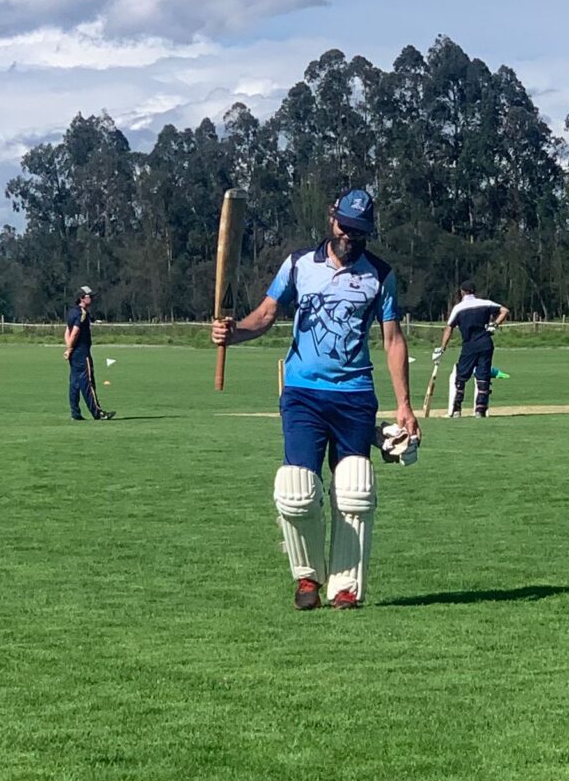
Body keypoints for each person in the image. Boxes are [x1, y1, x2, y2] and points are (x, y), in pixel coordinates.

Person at [211, 188, 420, 611]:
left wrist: (404, 404)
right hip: (303, 392)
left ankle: (346, 587)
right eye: (346, 227)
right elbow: (266, 314)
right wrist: (234, 333)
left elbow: (393, 339)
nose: (351, 237)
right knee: (297, 489)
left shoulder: (380, 274)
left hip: (355, 394)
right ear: (332, 219)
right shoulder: (299, 265)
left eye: (360, 232)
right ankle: (307, 579)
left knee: (354, 488)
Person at [433, 280, 509, 418]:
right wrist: (494, 325)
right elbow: (504, 311)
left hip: (469, 345)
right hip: (486, 343)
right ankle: (480, 410)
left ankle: (457, 409)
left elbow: (449, 328)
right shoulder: (486, 303)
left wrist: (442, 348)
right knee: (483, 376)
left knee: (461, 377)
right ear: (474, 291)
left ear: (462, 292)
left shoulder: (459, 308)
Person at [64, 286, 115, 421]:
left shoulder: (71, 312)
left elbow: (67, 332)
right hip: (81, 352)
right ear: (81, 298)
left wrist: (68, 349)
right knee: (88, 382)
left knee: (75, 383)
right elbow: (74, 332)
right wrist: (69, 349)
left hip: (75, 352)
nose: (91, 298)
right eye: (89, 296)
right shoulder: (82, 313)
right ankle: (97, 413)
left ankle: (75, 413)